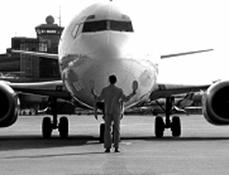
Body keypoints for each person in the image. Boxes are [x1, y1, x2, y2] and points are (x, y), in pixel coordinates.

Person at [91, 75, 137, 153]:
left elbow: (99, 99)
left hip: (108, 111)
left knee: (107, 130)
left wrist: (93, 93)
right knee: (116, 130)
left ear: (109, 80)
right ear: (115, 81)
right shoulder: (119, 90)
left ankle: (107, 147)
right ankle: (116, 147)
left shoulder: (105, 90)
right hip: (116, 112)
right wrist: (133, 93)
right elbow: (125, 99)